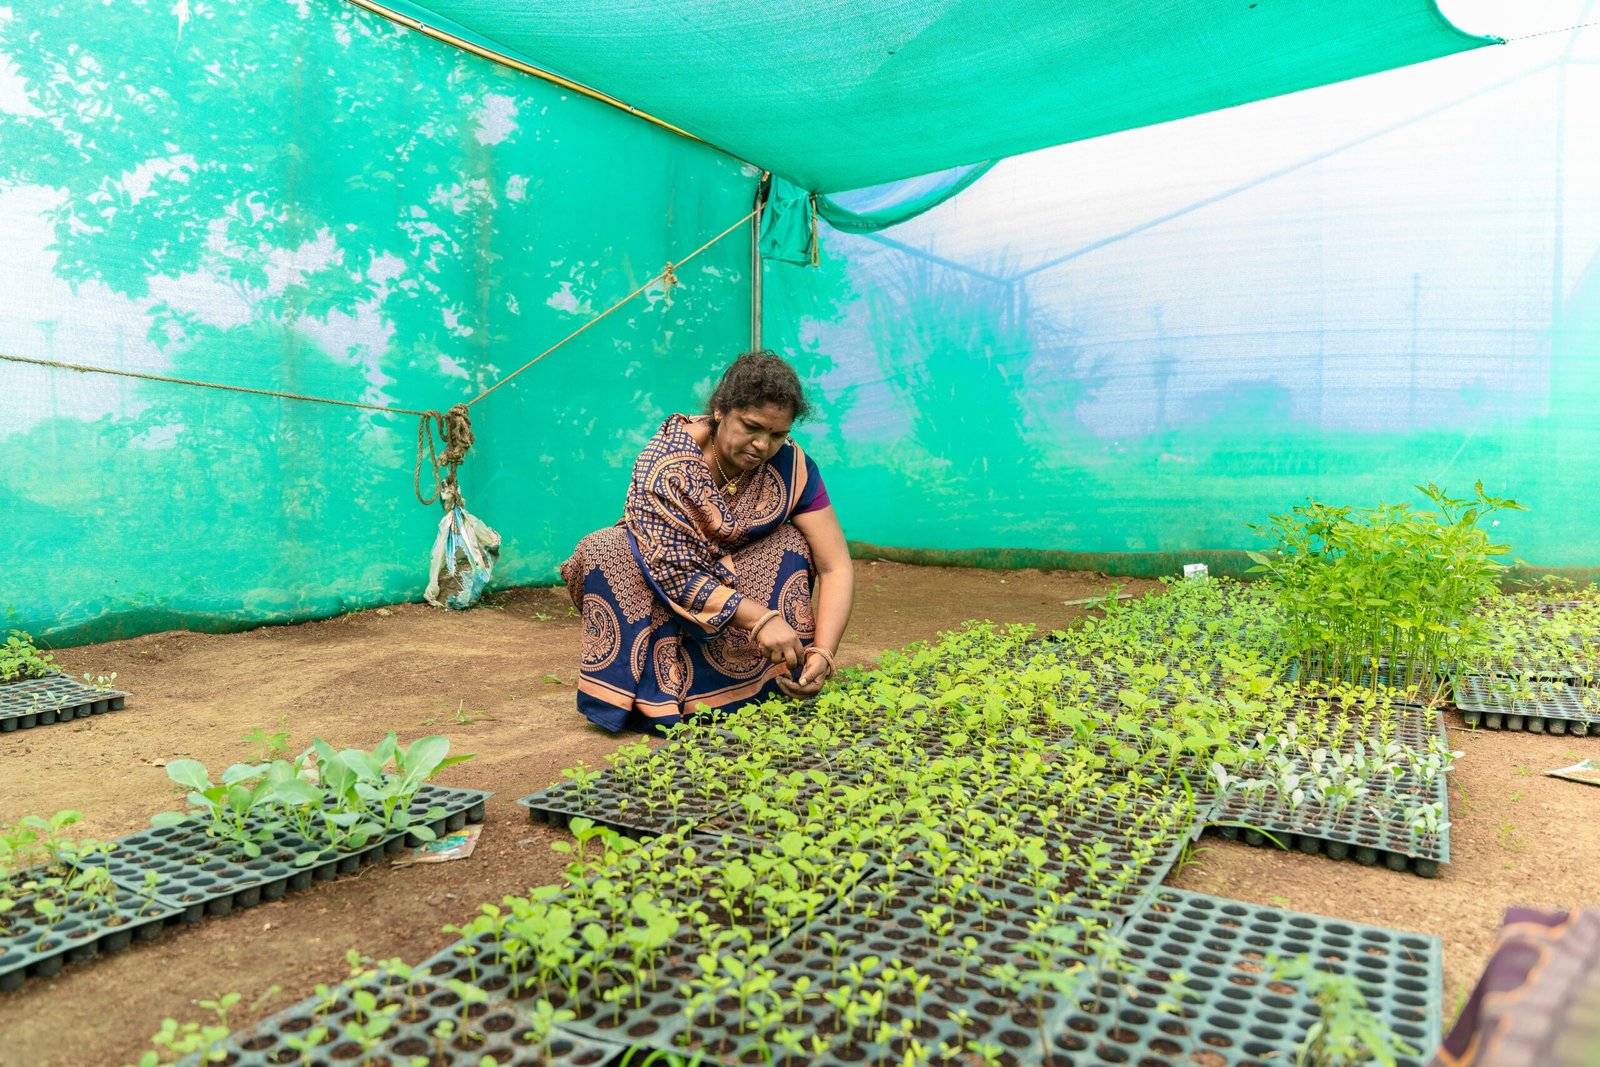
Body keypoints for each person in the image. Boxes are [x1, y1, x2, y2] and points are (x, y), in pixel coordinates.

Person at [561, 350, 855, 733]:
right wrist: (762, 618)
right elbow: (674, 571)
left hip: (732, 586)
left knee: (792, 541)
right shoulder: (666, 462)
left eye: (778, 434)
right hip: (664, 582)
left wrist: (824, 651)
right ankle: (645, 695)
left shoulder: (792, 467)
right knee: (606, 548)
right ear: (720, 410)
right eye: (751, 426)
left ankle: (769, 678)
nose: (763, 445)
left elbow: (836, 566)